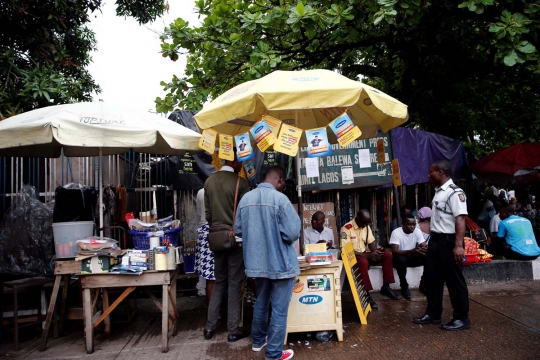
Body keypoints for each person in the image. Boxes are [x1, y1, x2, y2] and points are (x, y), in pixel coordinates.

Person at [234, 165, 299, 360]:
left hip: (257, 264)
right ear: (279, 181)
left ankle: (258, 341)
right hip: (281, 264)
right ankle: (273, 354)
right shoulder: (281, 200)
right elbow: (293, 233)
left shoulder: (245, 199)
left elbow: (238, 230)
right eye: (283, 183)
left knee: (261, 301)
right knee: (279, 310)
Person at [413, 160, 471, 331]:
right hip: (436, 241)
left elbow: (460, 219)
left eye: (431, 172)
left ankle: (461, 319)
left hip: (449, 242)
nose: (428, 175)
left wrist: (458, 245)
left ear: (440, 172)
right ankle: (433, 313)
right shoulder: (439, 192)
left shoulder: (455, 193)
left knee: (455, 282)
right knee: (431, 278)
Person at [203, 156, 251, 342]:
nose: (242, 165)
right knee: (234, 284)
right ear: (234, 161)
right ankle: (233, 331)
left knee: (219, 282)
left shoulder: (209, 181)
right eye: (240, 161)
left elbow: (208, 215)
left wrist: (218, 230)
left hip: (216, 239)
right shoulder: (241, 183)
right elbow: (245, 214)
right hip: (235, 240)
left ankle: (209, 328)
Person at [341, 209, 401, 309]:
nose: (366, 225)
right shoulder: (346, 228)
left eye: (368, 223)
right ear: (357, 219)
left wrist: (377, 252)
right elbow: (345, 250)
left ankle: (386, 286)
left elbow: (371, 245)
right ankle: (366, 293)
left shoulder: (366, 226)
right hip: (354, 255)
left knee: (387, 255)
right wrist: (368, 256)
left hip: (365, 253)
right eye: (364, 223)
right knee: (363, 261)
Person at [390, 215, 427, 300]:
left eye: (414, 224)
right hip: (399, 257)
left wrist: (424, 249)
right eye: (409, 224)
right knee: (400, 259)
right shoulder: (396, 232)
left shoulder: (417, 231)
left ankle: (424, 284)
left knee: (428, 257)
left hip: (411, 256)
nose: (412, 227)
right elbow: (394, 251)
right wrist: (411, 251)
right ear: (403, 223)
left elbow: (423, 245)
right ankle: (404, 286)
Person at [194, 188, 215, 308]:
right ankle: (215, 309)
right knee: (214, 276)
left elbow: (198, 213)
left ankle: (212, 310)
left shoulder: (200, 192)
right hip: (216, 230)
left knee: (209, 276)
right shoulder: (219, 189)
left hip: (203, 231)